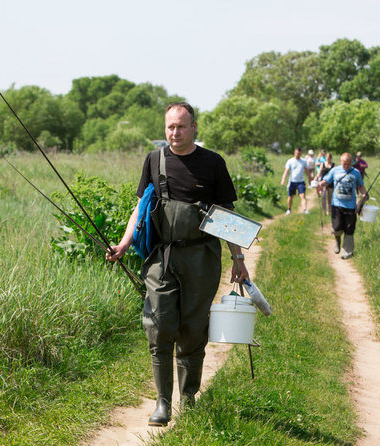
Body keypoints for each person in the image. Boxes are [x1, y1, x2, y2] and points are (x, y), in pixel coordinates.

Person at [106, 103, 249, 427]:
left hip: (201, 257)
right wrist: (124, 244)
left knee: (192, 329)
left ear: (194, 127)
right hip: (162, 256)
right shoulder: (154, 160)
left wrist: (238, 258)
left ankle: (188, 399)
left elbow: (226, 216)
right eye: (170, 127)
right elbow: (140, 207)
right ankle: (162, 403)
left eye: (181, 127)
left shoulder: (212, 163)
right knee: (159, 327)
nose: (174, 133)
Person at [318, 152, 368, 259]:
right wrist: (320, 184)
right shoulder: (335, 170)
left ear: (351, 163)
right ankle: (337, 241)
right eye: (344, 163)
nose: (346, 166)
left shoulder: (356, 173)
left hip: (350, 205)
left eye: (348, 164)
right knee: (337, 227)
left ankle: (347, 251)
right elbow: (326, 181)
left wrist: (364, 193)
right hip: (336, 204)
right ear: (341, 162)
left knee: (349, 228)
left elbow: (360, 185)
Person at [280, 147, 309, 215]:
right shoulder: (290, 161)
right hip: (292, 181)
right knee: (290, 196)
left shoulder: (303, 161)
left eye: (299, 153)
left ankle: (305, 210)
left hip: (301, 181)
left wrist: (310, 178)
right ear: (294, 153)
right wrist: (283, 179)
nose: (297, 154)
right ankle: (289, 209)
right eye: (296, 153)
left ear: (301, 153)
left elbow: (306, 170)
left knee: (302, 195)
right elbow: (286, 171)